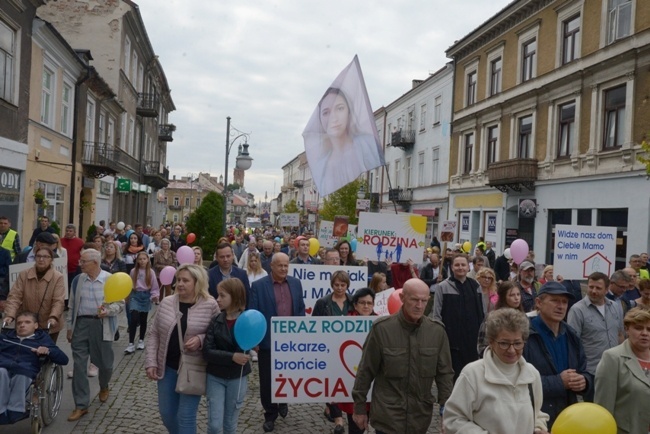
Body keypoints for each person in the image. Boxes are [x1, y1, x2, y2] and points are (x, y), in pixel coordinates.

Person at [352, 278, 454, 434]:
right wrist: (359, 407)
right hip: (387, 418)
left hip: (420, 419)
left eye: (424, 301)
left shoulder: (437, 332)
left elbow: (445, 374)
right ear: (402, 298)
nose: (419, 306)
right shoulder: (382, 329)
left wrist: (446, 410)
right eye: (414, 300)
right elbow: (365, 370)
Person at [444, 308, 549, 433]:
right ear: (491, 342)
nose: (511, 350)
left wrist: (538, 428)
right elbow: (453, 419)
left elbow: (536, 413)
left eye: (517, 343)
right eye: (504, 343)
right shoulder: (473, 374)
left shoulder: (532, 374)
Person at [145, 264, 219, 433]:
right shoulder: (167, 302)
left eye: (185, 280)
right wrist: (151, 362)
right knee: (167, 414)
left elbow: (218, 335)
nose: (180, 284)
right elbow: (154, 333)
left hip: (193, 368)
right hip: (167, 367)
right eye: (178, 280)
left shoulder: (210, 305)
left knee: (186, 416)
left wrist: (200, 339)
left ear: (197, 282)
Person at [522, 281, 592, 429]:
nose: (561, 306)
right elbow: (518, 381)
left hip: (566, 418)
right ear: (538, 303)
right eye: (555, 301)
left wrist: (584, 382)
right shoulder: (523, 335)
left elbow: (584, 370)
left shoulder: (571, 335)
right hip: (534, 420)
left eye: (565, 302)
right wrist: (559, 382)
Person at [249, 253, 305, 432]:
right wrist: (255, 340)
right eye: (280, 265)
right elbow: (253, 312)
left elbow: (300, 308)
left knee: (288, 373)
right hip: (267, 341)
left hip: (290, 341)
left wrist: (301, 333)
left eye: (286, 265)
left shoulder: (296, 283)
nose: (283, 269)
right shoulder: (258, 286)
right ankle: (270, 414)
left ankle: (283, 400)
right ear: (271, 266)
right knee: (267, 379)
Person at [66, 249, 124, 421]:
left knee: (105, 364)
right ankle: (81, 405)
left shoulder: (109, 279)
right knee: (79, 365)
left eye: (83, 261)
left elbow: (120, 304)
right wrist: (70, 327)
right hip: (81, 324)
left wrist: (108, 311)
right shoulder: (78, 280)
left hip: (102, 325)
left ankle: (104, 385)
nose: (80, 263)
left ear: (95, 263)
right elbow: (71, 306)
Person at [308, 87, 383, 196]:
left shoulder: (368, 144)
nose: (334, 118)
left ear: (349, 112)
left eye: (339, 108)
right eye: (326, 112)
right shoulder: (320, 165)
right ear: (320, 120)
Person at [0, 311, 68, 423]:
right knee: (1, 372)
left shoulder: (42, 339)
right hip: (3, 365)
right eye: (19, 323)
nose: (22, 325)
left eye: (27, 322)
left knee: (21, 374)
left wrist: (48, 351)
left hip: (26, 368)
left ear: (35, 325)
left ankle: (15, 409)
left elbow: (64, 360)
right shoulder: (4, 338)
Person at [567, 272, 624, 401]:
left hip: (614, 370)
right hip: (591, 372)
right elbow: (572, 344)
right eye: (591, 287)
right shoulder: (577, 310)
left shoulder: (615, 307)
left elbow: (620, 334)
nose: (593, 291)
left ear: (607, 289)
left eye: (598, 288)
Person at [204, 278, 251, 434]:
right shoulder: (216, 320)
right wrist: (232, 357)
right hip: (215, 376)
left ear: (235, 296)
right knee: (214, 425)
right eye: (218, 295)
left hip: (237, 377)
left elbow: (244, 350)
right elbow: (207, 351)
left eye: (222, 295)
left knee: (230, 425)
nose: (218, 299)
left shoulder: (247, 321)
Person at [594, 307, 650, 434]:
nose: (645, 333)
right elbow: (603, 409)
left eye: (649, 329)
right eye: (639, 328)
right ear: (627, 329)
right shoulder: (612, 358)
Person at [312, 270, 353, 434]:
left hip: (349, 350)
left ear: (347, 285)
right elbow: (313, 326)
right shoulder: (323, 302)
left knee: (347, 383)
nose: (340, 288)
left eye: (343, 285)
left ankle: (342, 410)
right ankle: (338, 420)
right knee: (332, 384)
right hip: (328, 349)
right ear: (332, 285)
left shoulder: (353, 301)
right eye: (336, 285)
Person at [432, 254, 484, 380]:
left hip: (471, 339)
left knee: (471, 374)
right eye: (457, 265)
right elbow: (437, 314)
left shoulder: (475, 286)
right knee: (453, 374)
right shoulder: (443, 287)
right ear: (452, 267)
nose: (460, 267)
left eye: (463, 265)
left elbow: (482, 312)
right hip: (452, 340)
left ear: (468, 267)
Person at [3, 248, 66, 342]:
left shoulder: (58, 277)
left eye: (45, 257)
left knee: (45, 352)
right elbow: (14, 296)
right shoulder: (24, 274)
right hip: (27, 323)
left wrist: (54, 316)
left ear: (51, 259)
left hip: (48, 323)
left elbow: (58, 300)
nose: (41, 259)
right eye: (39, 256)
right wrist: (10, 315)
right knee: (26, 351)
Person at [336, 288, 376, 434]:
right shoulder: (344, 324)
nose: (366, 306)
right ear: (355, 304)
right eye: (362, 303)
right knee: (355, 428)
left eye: (369, 303)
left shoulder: (381, 323)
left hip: (376, 387)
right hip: (351, 385)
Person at [125, 252, 160, 354]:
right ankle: (131, 343)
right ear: (137, 260)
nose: (142, 261)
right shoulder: (133, 271)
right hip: (135, 295)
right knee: (134, 318)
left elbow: (154, 286)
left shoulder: (151, 272)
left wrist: (154, 296)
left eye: (144, 259)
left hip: (146, 296)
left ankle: (141, 340)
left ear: (148, 260)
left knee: (143, 319)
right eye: (140, 259)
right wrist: (127, 296)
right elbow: (129, 283)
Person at [60, 224, 84, 300]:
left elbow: (82, 253)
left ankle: (72, 301)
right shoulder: (61, 241)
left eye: (70, 231)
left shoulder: (80, 242)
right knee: (63, 286)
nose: (68, 232)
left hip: (74, 268)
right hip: (63, 268)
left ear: (74, 232)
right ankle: (65, 302)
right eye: (67, 231)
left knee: (72, 286)